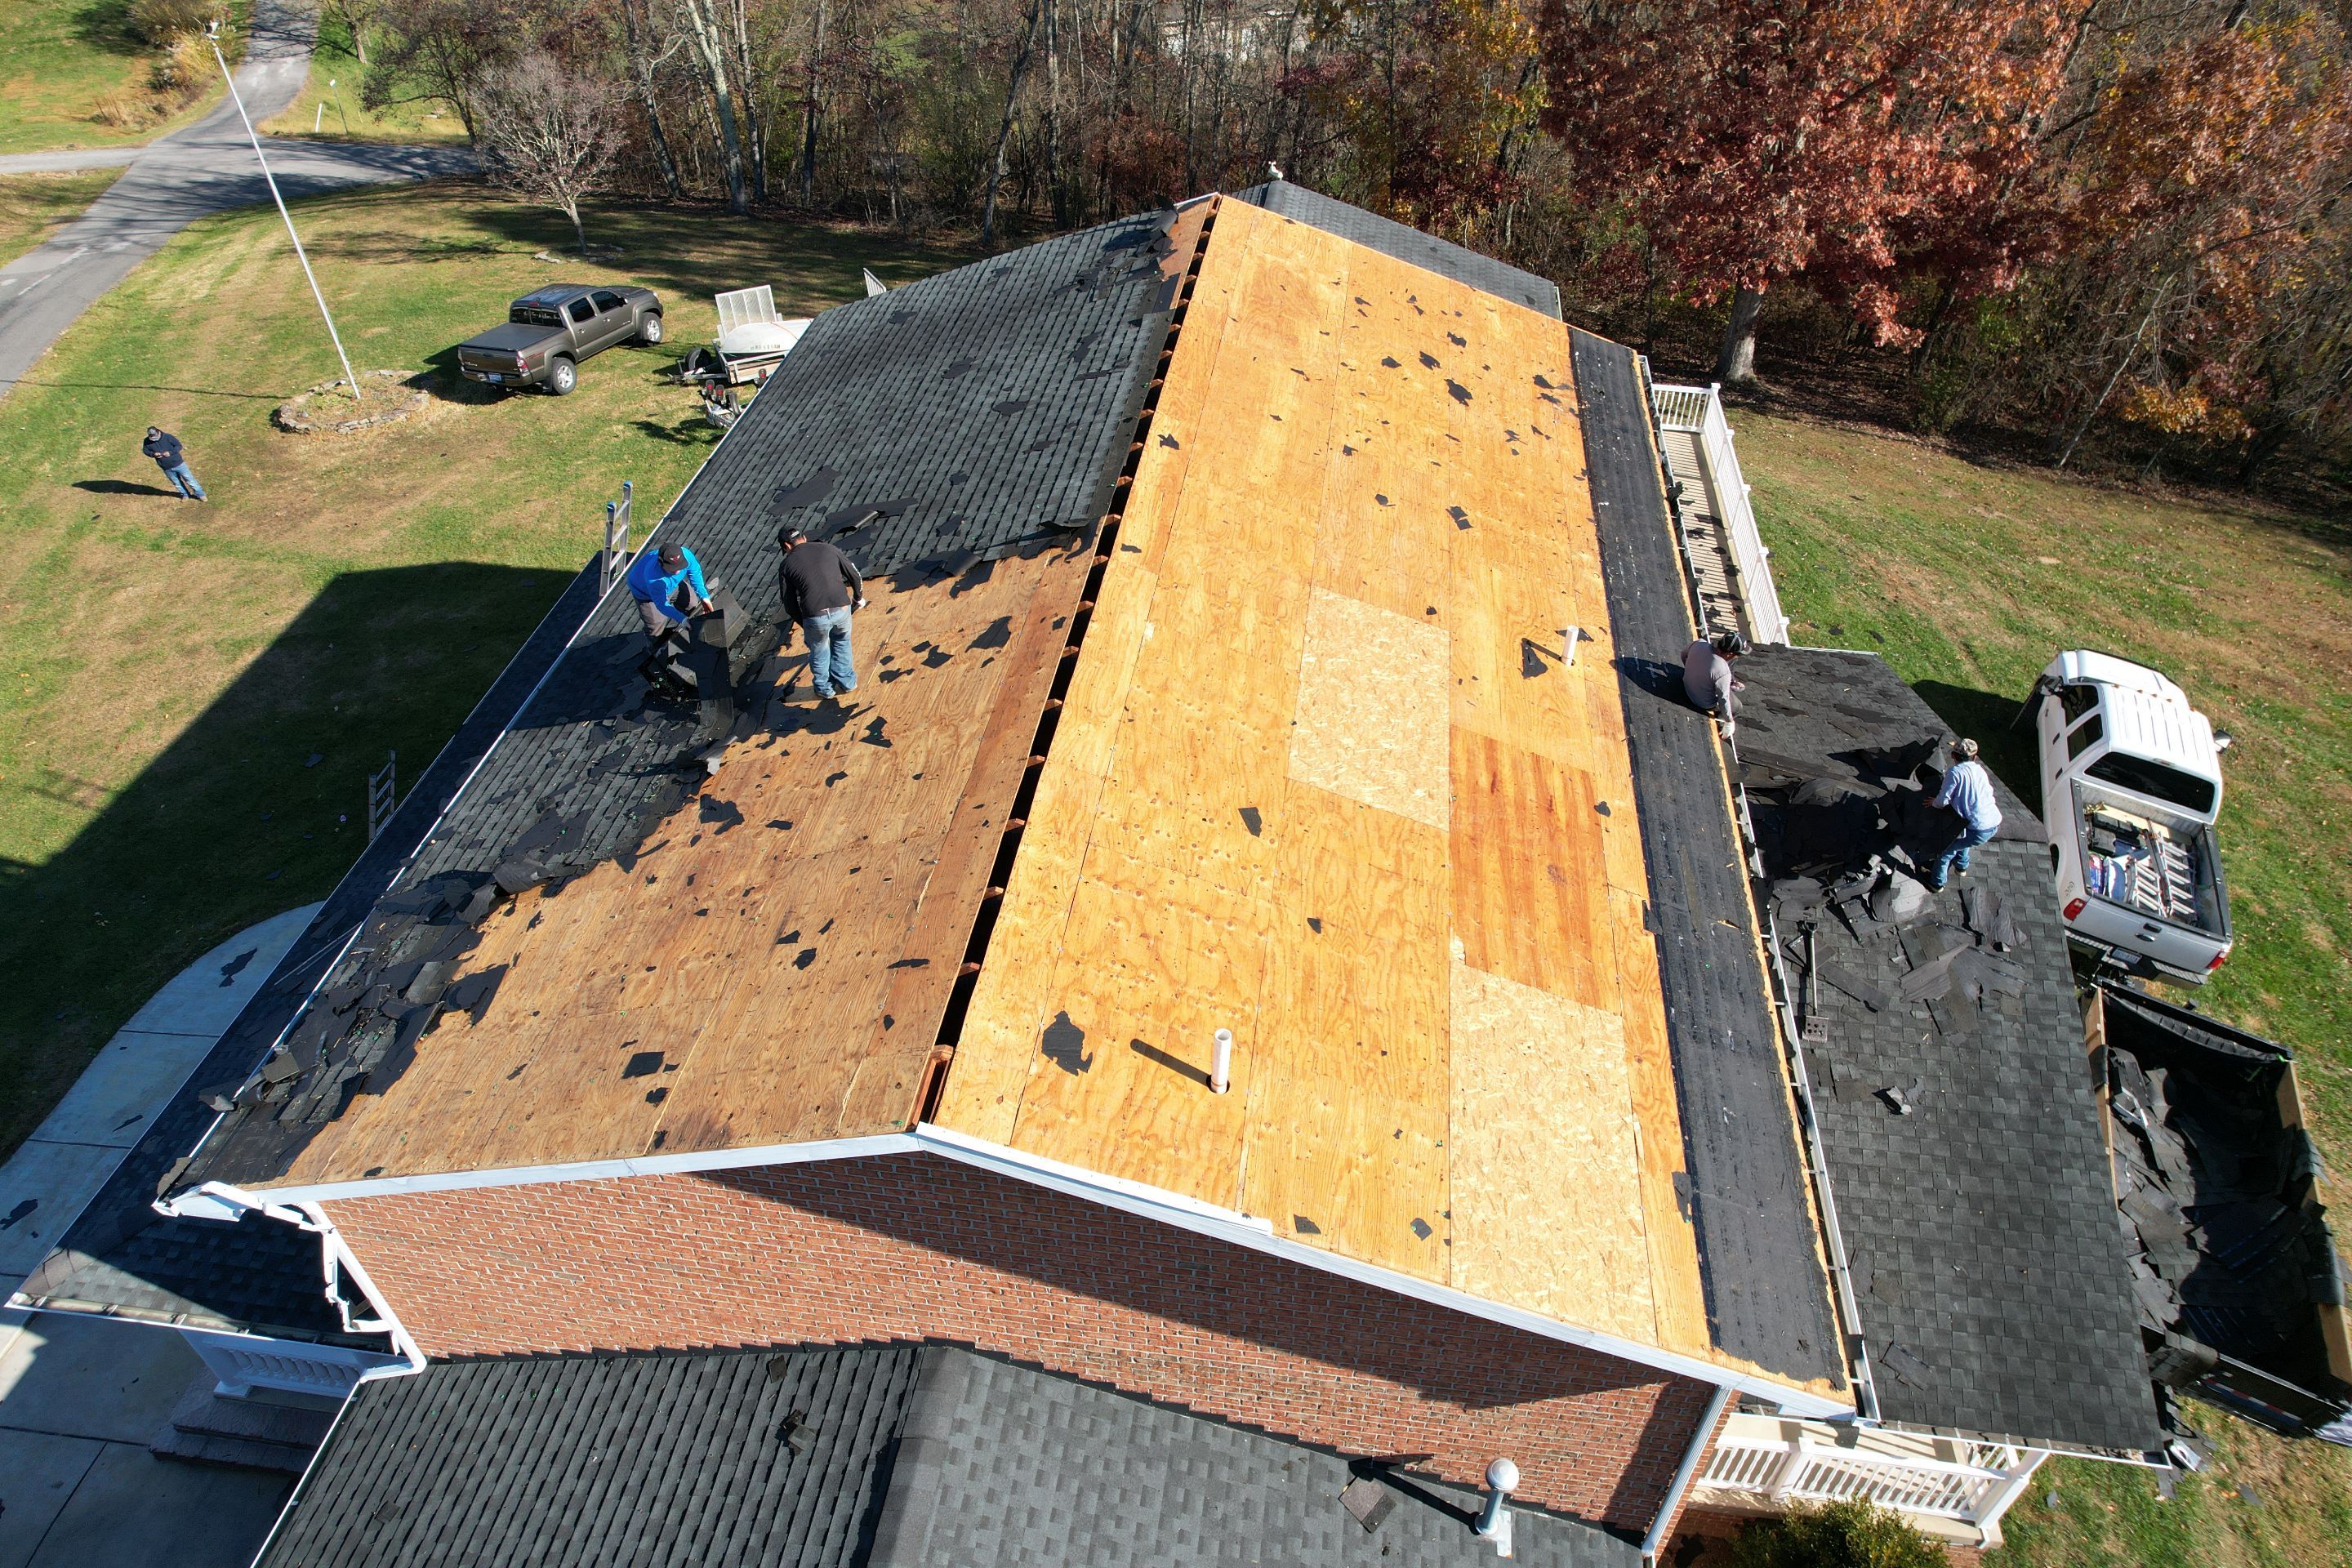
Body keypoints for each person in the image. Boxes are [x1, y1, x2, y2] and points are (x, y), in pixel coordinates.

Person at [778, 526, 866, 700]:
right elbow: (855, 576)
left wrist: (805, 623)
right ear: (804, 538)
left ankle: (825, 689)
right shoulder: (829, 548)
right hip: (841, 608)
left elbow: (788, 604)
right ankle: (848, 683)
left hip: (815, 615)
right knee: (842, 643)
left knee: (819, 650)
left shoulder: (786, 565)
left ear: (787, 546)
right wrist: (858, 597)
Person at [1927, 737, 2002, 890]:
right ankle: (1961, 867)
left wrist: (1933, 803)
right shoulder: (1980, 770)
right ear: (1974, 757)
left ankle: (1937, 883)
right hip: (1993, 822)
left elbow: (1943, 801)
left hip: (1978, 828)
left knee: (1945, 851)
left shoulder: (1955, 773)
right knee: (1964, 839)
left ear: (1953, 756)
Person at [627, 541, 712, 640]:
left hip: (672, 585)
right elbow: (662, 605)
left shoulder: (686, 555)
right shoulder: (654, 578)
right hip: (647, 595)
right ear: (661, 563)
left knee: (692, 604)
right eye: (672, 569)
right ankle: (655, 650)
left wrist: (704, 597)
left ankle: (698, 634)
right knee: (657, 624)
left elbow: (695, 574)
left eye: (680, 566)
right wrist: (682, 619)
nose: (677, 571)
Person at [1682, 630, 1748, 738]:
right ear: (1730, 654)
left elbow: (1683, 655)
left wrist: (1695, 670)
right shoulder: (1723, 672)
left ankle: (1727, 682)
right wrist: (1729, 721)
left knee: (1726, 668)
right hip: (1701, 702)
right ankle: (1722, 719)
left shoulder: (1699, 644)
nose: (1737, 657)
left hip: (1686, 682)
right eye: (1737, 654)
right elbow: (1723, 699)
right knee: (1737, 707)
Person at [142, 426, 206, 501]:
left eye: (155, 436)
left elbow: (178, 446)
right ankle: (185, 495)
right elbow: (146, 451)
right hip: (166, 467)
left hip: (179, 464)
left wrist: (170, 453)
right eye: (152, 437)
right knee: (177, 483)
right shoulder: (147, 441)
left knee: (190, 480)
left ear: (158, 432)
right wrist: (153, 454)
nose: (154, 438)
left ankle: (201, 495)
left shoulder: (168, 437)